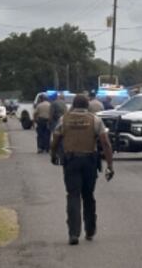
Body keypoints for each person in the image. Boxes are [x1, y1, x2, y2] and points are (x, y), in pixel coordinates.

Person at [50, 94, 114, 245]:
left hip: (71, 161)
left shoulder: (64, 119)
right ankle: (90, 230)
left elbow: (56, 138)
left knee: (73, 195)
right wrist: (110, 165)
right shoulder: (95, 120)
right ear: (87, 106)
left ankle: (73, 233)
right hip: (89, 161)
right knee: (88, 195)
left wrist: (53, 154)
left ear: (73, 104)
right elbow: (105, 143)